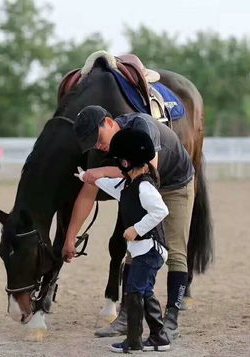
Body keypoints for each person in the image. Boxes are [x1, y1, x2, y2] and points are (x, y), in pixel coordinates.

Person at [62, 105, 195, 339]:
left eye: (98, 138)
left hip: (174, 184)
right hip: (140, 184)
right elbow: (87, 192)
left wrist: (102, 170)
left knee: (175, 251)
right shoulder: (107, 147)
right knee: (134, 250)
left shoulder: (142, 127)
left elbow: (148, 171)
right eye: (92, 143)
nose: (98, 146)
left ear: (110, 122)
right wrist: (71, 237)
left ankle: (171, 319)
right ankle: (126, 317)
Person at [74, 128, 170, 353]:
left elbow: (160, 211)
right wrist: (86, 176)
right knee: (144, 291)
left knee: (134, 291)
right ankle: (159, 338)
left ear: (126, 163)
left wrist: (136, 229)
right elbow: (111, 187)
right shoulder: (128, 185)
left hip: (150, 250)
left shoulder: (145, 187)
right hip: (144, 251)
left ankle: (133, 342)